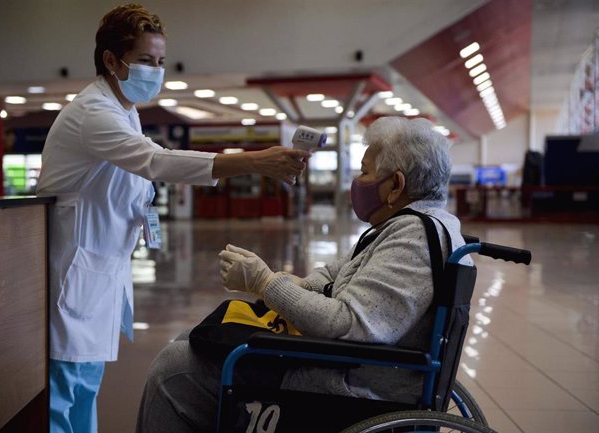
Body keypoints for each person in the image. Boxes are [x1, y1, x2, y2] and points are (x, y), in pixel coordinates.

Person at [36, 4, 308, 433]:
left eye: (160, 61)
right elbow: (156, 162)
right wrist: (256, 161)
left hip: (100, 274)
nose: (156, 70)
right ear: (110, 60)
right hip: (73, 272)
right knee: (62, 393)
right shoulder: (94, 113)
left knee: (85, 386)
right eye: (145, 60)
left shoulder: (125, 111)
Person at [135, 116, 473, 433]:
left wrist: (265, 283)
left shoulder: (412, 239)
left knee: (174, 367)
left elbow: (346, 324)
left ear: (396, 185)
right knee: (195, 338)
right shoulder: (414, 226)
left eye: (365, 172)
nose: (358, 181)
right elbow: (337, 272)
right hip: (350, 367)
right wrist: (296, 285)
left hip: (349, 388)